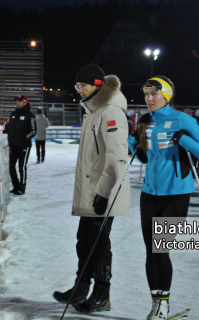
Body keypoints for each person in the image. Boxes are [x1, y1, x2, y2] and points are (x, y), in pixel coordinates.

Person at [128, 76, 199, 320]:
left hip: (176, 195)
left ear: (166, 95)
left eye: (154, 93)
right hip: (149, 195)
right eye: (146, 94)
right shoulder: (146, 121)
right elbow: (146, 159)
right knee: (150, 251)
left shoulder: (182, 119)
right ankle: (155, 304)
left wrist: (183, 139)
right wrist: (131, 142)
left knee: (161, 250)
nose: (149, 98)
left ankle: (164, 307)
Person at [53, 64, 130, 313]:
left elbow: (117, 158)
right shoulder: (92, 110)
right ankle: (80, 289)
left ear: (97, 84)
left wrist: (103, 192)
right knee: (84, 242)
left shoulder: (110, 112)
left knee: (99, 244)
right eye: (76, 86)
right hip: (91, 191)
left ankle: (102, 294)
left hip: (102, 193)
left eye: (82, 86)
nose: (79, 90)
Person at [6, 95, 36, 195]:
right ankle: (15, 187)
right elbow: (9, 128)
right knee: (11, 168)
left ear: (25, 103)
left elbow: (33, 131)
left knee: (22, 167)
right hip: (13, 146)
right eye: (17, 101)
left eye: (19, 101)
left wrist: (24, 139)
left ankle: (21, 188)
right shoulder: (13, 114)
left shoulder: (30, 115)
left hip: (24, 146)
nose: (17, 103)